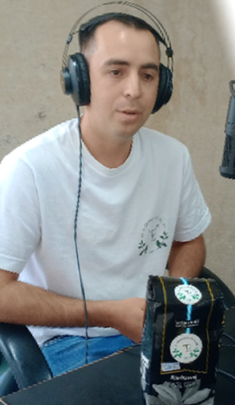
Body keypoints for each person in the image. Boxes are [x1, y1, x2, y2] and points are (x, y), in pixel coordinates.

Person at [0, 12, 210, 377]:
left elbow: (188, 241)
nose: (134, 90)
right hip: (66, 341)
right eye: (116, 71)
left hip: (155, 331)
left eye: (148, 75)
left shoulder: (173, 157)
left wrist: (173, 299)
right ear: (79, 81)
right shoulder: (28, 168)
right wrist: (108, 313)